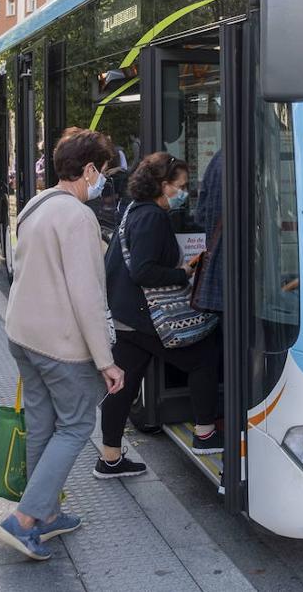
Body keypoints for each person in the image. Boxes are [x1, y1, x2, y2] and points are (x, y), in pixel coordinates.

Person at [0, 128, 125, 561]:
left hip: (22, 333)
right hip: (59, 343)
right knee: (74, 427)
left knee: (42, 425)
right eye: (103, 172)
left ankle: (48, 516)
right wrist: (106, 360)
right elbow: (87, 295)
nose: (103, 181)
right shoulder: (78, 216)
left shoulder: (37, 203)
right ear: (88, 169)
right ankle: (25, 520)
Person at [98, 152, 222, 476]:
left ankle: (109, 457)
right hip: (145, 315)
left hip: (127, 311)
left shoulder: (134, 210)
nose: (183, 193)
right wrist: (182, 273)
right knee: (204, 356)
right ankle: (206, 434)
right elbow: (144, 271)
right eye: (180, 186)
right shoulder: (153, 217)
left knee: (122, 383)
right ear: (162, 185)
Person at [193, 150, 224, 315]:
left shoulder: (217, 160)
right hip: (229, 274)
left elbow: (200, 217)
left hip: (216, 274)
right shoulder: (241, 158)